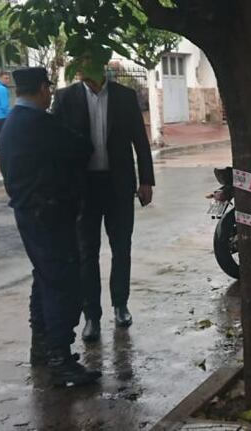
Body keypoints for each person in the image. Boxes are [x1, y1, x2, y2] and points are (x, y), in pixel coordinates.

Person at [0, 67, 100, 386]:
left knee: (44, 278)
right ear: (42, 89)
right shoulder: (40, 124)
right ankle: (60, 358)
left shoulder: (12, 124)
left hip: (30, 213)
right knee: (62, 283)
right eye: (49, 88)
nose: (52, 94)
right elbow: (82, 148)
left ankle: (41, 346)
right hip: (50, 216)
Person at [53, 66, 155, 342]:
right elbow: (55, 146)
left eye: (87, 59)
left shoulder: (125, 96)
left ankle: (120, 305)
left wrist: (146, 181)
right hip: (83, 188)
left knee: (122, 246)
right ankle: (92, 316)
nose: (80, 66)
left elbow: (140, 142)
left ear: (100, 61)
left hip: (118, 185)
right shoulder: (65, 98)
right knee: (87, 252)